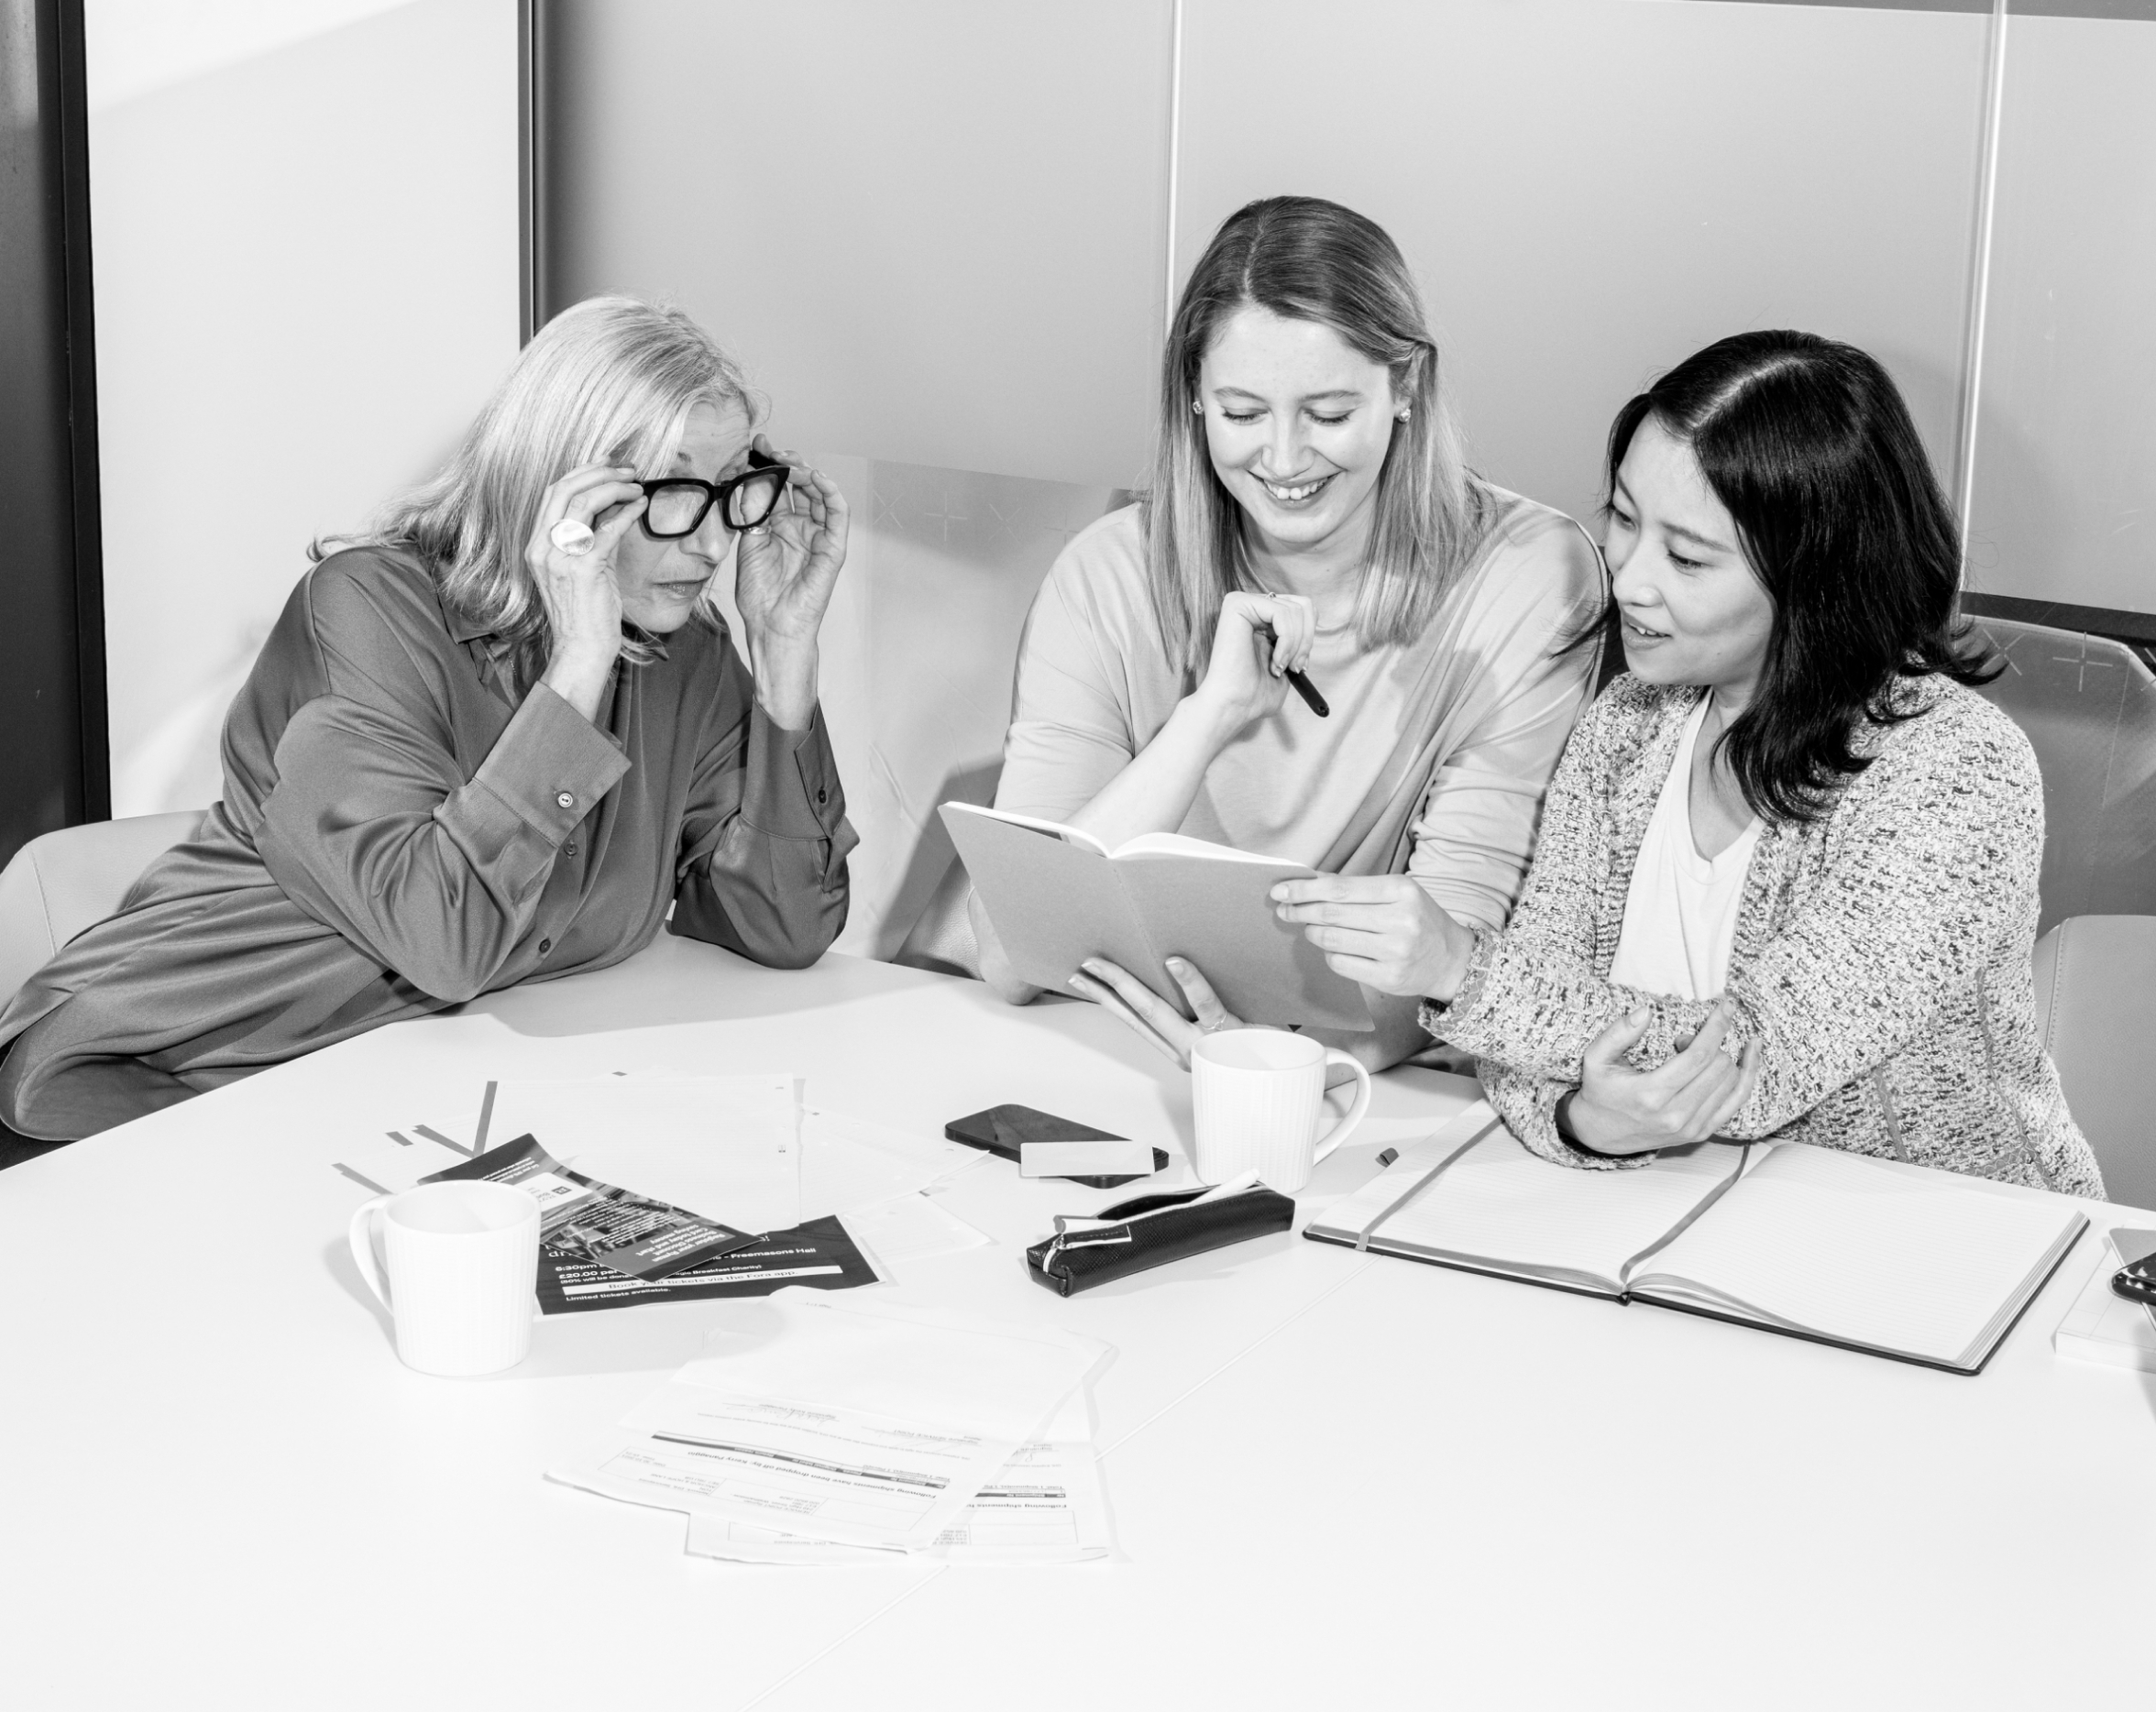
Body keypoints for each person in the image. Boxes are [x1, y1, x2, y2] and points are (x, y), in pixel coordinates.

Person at [1088, 330, 2102, 1196]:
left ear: (1820, 577)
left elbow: (1747, 1067)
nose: (1627, 578)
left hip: (1949, 1255)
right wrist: (1588, 1123)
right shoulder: (1630, 723)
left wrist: (1459, 968)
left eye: (1689, 557)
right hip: (1669, 1231)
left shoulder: (1957, 771)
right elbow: (1517, 1055)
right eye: (1623, 519)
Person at [0, 296, 857, 1140]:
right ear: (565, 486)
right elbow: (442, 939)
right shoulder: (367, 611)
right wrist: (577, 670)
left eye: (734, 487)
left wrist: (786, 658)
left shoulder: (683, 652)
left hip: (431, 1097)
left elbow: (779, 927)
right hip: (173, 1081)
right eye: (676, 492)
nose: (711, 545)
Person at [975, 195, 1605, 1069]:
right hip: (1113, 1057)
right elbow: (1010, 956)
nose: (1281, 458)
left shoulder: (1528, 573)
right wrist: (1207, 716)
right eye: (1241, 413)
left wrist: (1253, 1059)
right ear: (1192, 400)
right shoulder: (1109, 572)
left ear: (1407, 387)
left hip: (1360, 1090)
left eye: (1328, 413)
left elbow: (1450, 961)